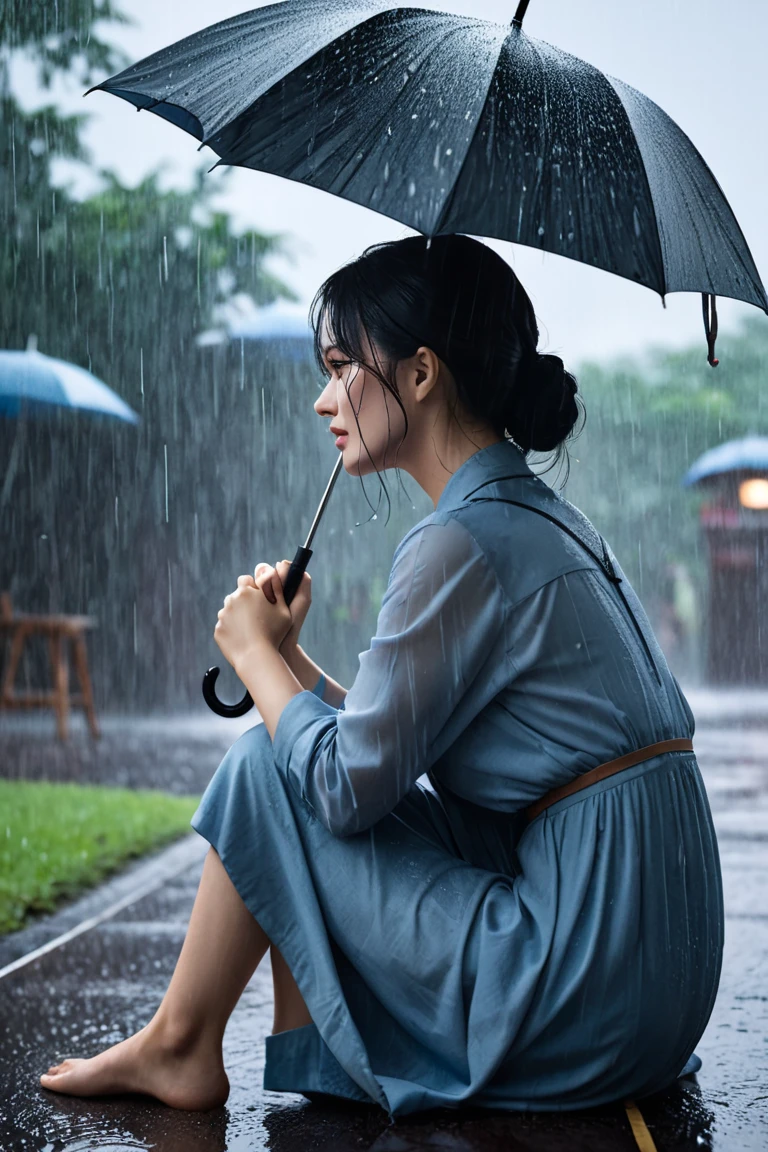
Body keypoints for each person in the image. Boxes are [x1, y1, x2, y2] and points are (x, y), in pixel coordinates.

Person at [39, 234, 723, 1119]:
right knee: (284, 758)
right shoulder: (539, 520)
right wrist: (291, 664)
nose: (325, 399)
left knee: (265, 767)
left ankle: (178, 1044)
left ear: (422, 374)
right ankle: (184, 1040)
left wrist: (251, 656)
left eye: (339, 367)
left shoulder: (458, 542)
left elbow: (343, 787)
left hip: (582, 989)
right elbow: (382, 740)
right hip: (651, 982)